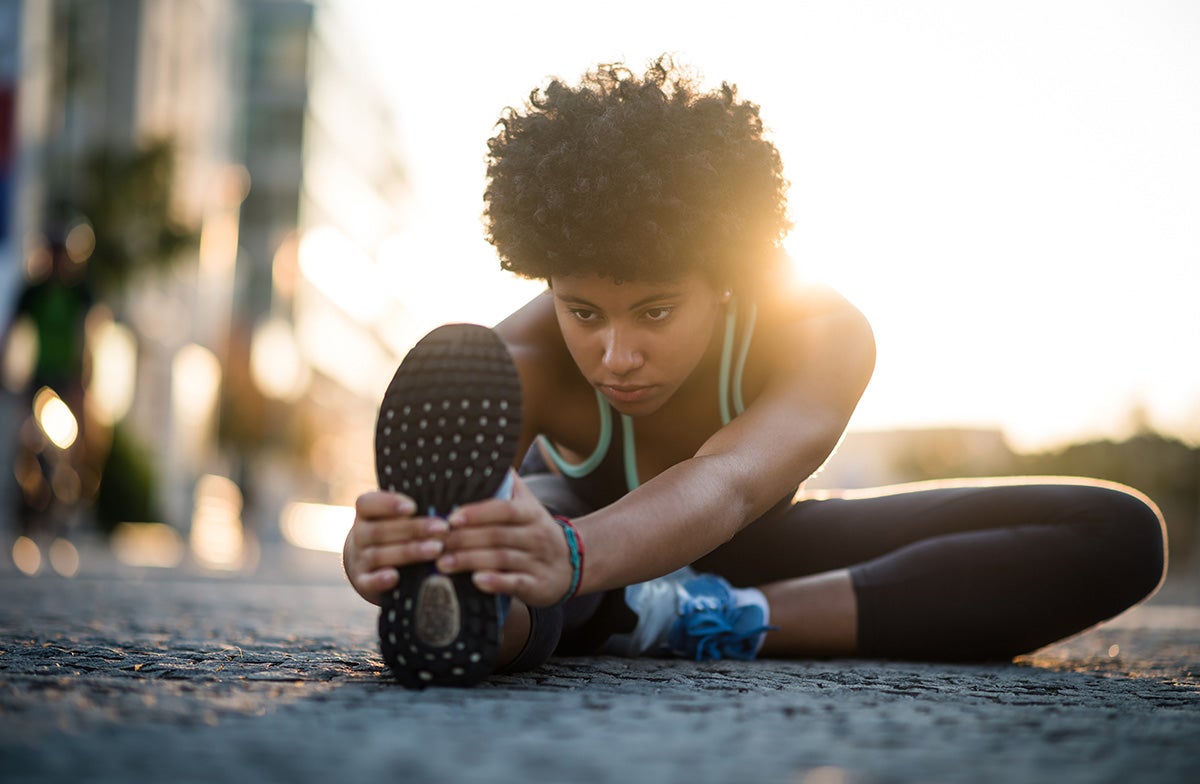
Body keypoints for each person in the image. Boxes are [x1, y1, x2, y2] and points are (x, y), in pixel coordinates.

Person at [342, 57, 1167, 688]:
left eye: (656, 312)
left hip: (745, 552)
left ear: (728, 275)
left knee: (1117, 532)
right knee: (512, 554)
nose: (616, 355)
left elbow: (730, 482)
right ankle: (497, 620)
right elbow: (472, 526)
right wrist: (385, 551)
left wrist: (578, 554)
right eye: (582, 311)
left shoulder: (821, 331)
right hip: (566, 541)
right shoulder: (514, 357)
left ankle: (691, 620)